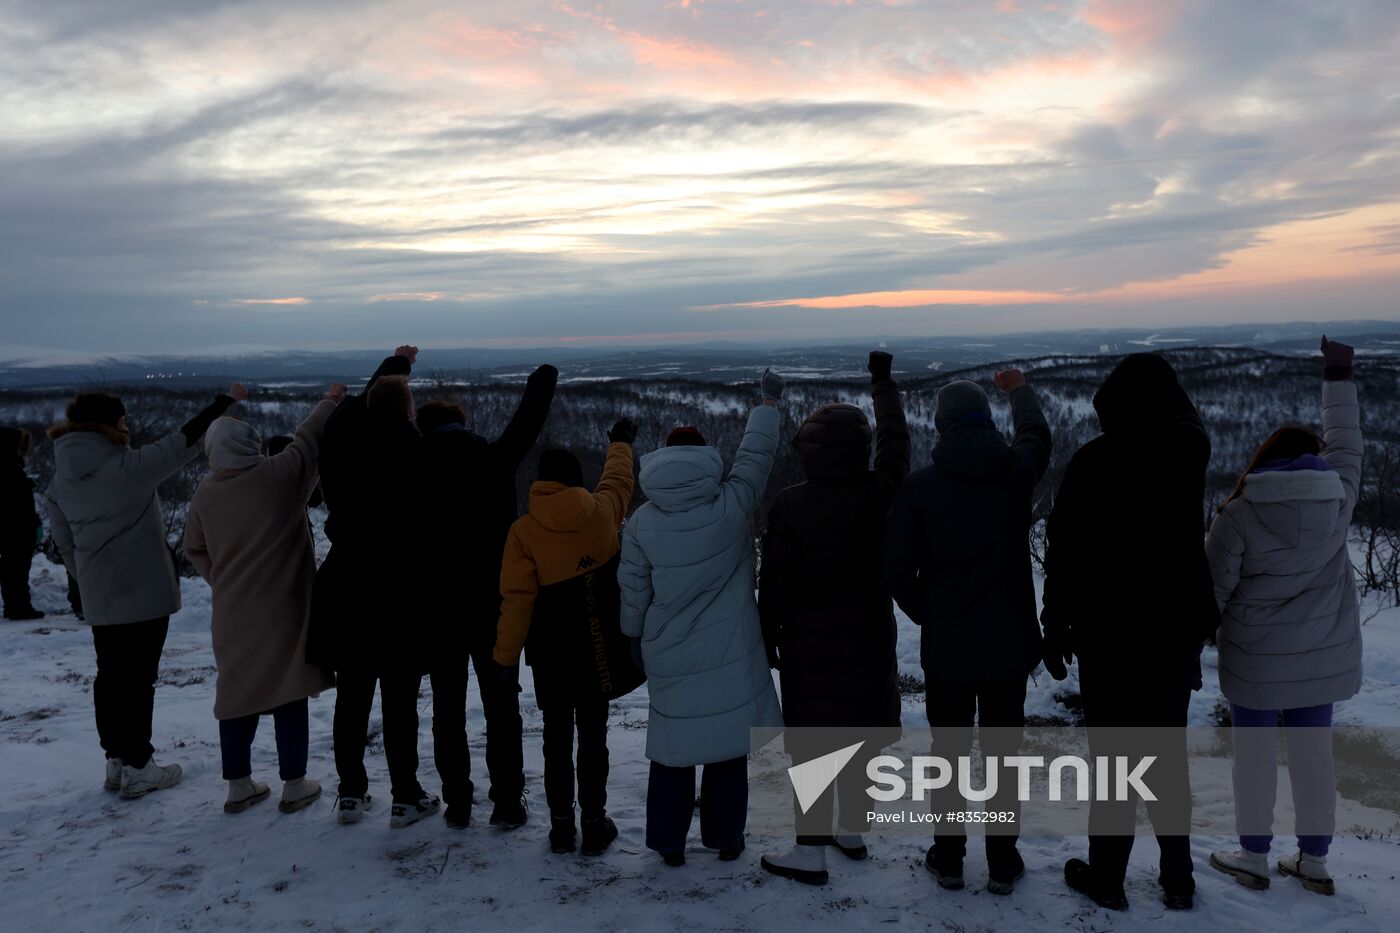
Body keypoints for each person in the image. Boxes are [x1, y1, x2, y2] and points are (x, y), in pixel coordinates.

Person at [1040, 353, 1220, 911]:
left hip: (1108, 634)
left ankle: (1109, 878)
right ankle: (1179, 878)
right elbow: (1185, 420)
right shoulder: (1189, 454)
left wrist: (1055, 621)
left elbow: (1063, 550)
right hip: (1172, 633)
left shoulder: (1093, 461)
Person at [882, 368, 1051, 895]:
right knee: (1003, 755)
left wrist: (926, 610)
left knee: (949, 752)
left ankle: (949, 857)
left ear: (942, 425)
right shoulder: (1015, 472)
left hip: (949, 648)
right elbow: (1037, 436)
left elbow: (894, 566)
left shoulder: (920, 487)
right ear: (984, 419)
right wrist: (1019, 390)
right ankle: (1002, 862)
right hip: (1008, 645)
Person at [1206, 337, 1362, 898]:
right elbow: (1348, 441)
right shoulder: (1338, 500)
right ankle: (1314, 861)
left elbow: (1214, 592)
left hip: (1255, 660)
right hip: (1321, 658)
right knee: (1314, 756)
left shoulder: (1239, 515)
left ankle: (1252, 856)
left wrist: (1205, 635)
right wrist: (1338, 373)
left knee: (1252, 758)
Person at [46, 384, 247, 798]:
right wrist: (226, 403)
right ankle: (139, 765)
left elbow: (64, 543)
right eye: (123, 420)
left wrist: (87, 579)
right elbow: (184, 441)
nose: (128, 425)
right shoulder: (127, 467)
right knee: (138, 680)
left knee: (111, 676)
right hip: (142, 593)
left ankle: (117, 760)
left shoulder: (59, 480)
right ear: (108, 426)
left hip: (100, 595)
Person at [619, 369, 785, 867]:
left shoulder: (643, 520)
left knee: (672, 748)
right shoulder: (730, 506)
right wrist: (768, 404)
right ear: (704, 461)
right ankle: (726, 839)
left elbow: (633, 588)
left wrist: (632, 635)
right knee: (727, 747)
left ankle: (669, 844)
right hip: (731, 647)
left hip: (668, 648)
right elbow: (756, 458)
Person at [757, 351, 911, 886]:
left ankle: (810, 851)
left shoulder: (790, 505)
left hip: (808, 644)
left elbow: (773, 581)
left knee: (815, 742)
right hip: (869, 635)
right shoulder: (880, 492)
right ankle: (852, 829)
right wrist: (882, 383)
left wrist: (766, 633)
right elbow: (897, 444)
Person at [184, 384, 346, 816]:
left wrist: (220, 579)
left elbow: (193, 546)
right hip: (284, 608)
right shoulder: (278, 478)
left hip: (232, 613)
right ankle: (294, 785)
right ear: (249, 444)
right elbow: (308, 438)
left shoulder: (206, 493)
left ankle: (238, 786)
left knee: (237, 693)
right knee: (288, 689)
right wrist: (331, 400)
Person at [415, 363, 558, 829]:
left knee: (447, 707)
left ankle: (457, 801)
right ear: (461, 424)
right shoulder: (491, 459)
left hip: (437, 608)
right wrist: (543, 378)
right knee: (501, 705)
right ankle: (508, 803)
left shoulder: (410, 469)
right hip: (495, 606)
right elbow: (527, 422)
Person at [493, 419, 639, 855]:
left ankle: (561, 828)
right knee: (594, 736)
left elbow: (516, 602)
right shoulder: (602, 512)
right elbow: (618, 479)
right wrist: (619, 442)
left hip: (550, 657)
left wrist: (504, 661)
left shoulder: (523, 533)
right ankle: (594, 824)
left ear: (541, 485)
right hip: (597, 650)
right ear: (576, 482)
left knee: (555, 737)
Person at [309, 345, 440, 829]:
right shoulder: (417, 453)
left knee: (353, 695)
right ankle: (405, 796)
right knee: (400, 699)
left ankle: (350, 792)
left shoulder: (342, 446)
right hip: (400, 590)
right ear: (408, 411)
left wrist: (395, 365)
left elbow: (351, 408)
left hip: (348, 583)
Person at [1, 426, 44, 620]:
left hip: (13, 528)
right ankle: (18, 607)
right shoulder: (11, 470)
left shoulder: (10, 467)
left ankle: (15, 606)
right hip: (17, 530)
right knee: (16, 571)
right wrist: (34, 523)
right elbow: (20, 505)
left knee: (12, 570)